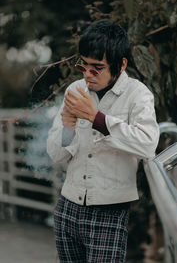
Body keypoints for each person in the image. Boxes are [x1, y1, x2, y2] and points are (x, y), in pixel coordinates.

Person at [47, 19, 159, 263]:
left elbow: (148, 144)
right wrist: (68, 126)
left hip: (110, 211)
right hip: (68, 206)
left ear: (120, 65)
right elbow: (56, 155)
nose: (87, 74)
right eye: (83, 65)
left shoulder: (138, 94)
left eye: (96, 68)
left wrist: (96, 118)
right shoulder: (75, 90)